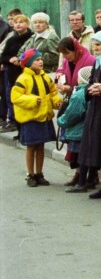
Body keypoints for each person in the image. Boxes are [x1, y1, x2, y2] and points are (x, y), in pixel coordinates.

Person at [72, 31, 101, 198]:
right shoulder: (98, 62)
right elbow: (92, 81)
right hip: (96, 107)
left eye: (99, 45)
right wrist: (90, 89)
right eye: (94, 45)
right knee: (97, 146)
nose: (95, 48)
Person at [12, 48, 62, 186]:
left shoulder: (45, 77)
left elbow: (52, 93)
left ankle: (39, 173)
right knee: (31, 147)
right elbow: (15, 97)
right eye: (37, 60)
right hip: (31, 118)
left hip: (44, 116)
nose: (41, 62)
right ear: (28, 63)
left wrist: (57, 101)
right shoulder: (23, 78)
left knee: (41, 146)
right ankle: (30, 174)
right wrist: (32, 101)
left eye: (41, 59)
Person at [55, 36, 97, 184]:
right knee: (73, 143)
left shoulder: (89, 60)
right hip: (71, 100)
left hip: (84, 103)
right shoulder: (67, 61)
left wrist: (71, 89)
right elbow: (62, 70)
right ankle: (80, 174)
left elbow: (88, 84)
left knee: (84, 143)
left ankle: (88, 175)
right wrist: (59, 77)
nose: (66, 57)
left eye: (67, 53)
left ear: (75, 50)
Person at [0, 13, 31, 133]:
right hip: (11, 73)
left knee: (24, 97)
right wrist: (10, 59)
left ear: (27, 24)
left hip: (24, 72)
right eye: (16, 22)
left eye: (21, 22)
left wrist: (21, 60)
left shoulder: (31, 38)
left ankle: (23, 123)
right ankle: (13, 121)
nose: (18, 24)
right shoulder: (11, 39)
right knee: (10, 97)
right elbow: (3, 56)